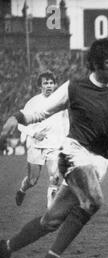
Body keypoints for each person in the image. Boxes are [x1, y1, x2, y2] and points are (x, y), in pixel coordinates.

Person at [0, 38, 108, 258]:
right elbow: (42, 111)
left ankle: (5, 248)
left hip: (99, 161)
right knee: (95, 201)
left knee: (51, 220)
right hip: (72, 154)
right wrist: (16, 118)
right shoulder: (74, 87)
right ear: (96, 64)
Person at [16, 71, 69, 208]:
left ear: (55, 85)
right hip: (36, 145)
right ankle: (22, 190)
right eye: (46, 83)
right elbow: (20, 124)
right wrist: (33, 133)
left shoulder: (61, 102)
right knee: (32, 180)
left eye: (51, 83)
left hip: (54, 145)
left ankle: (50, 212)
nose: (49, 85)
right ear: (40, 86)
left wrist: (67, 139)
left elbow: (66, 122)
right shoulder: (33, 102)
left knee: (55, 178)